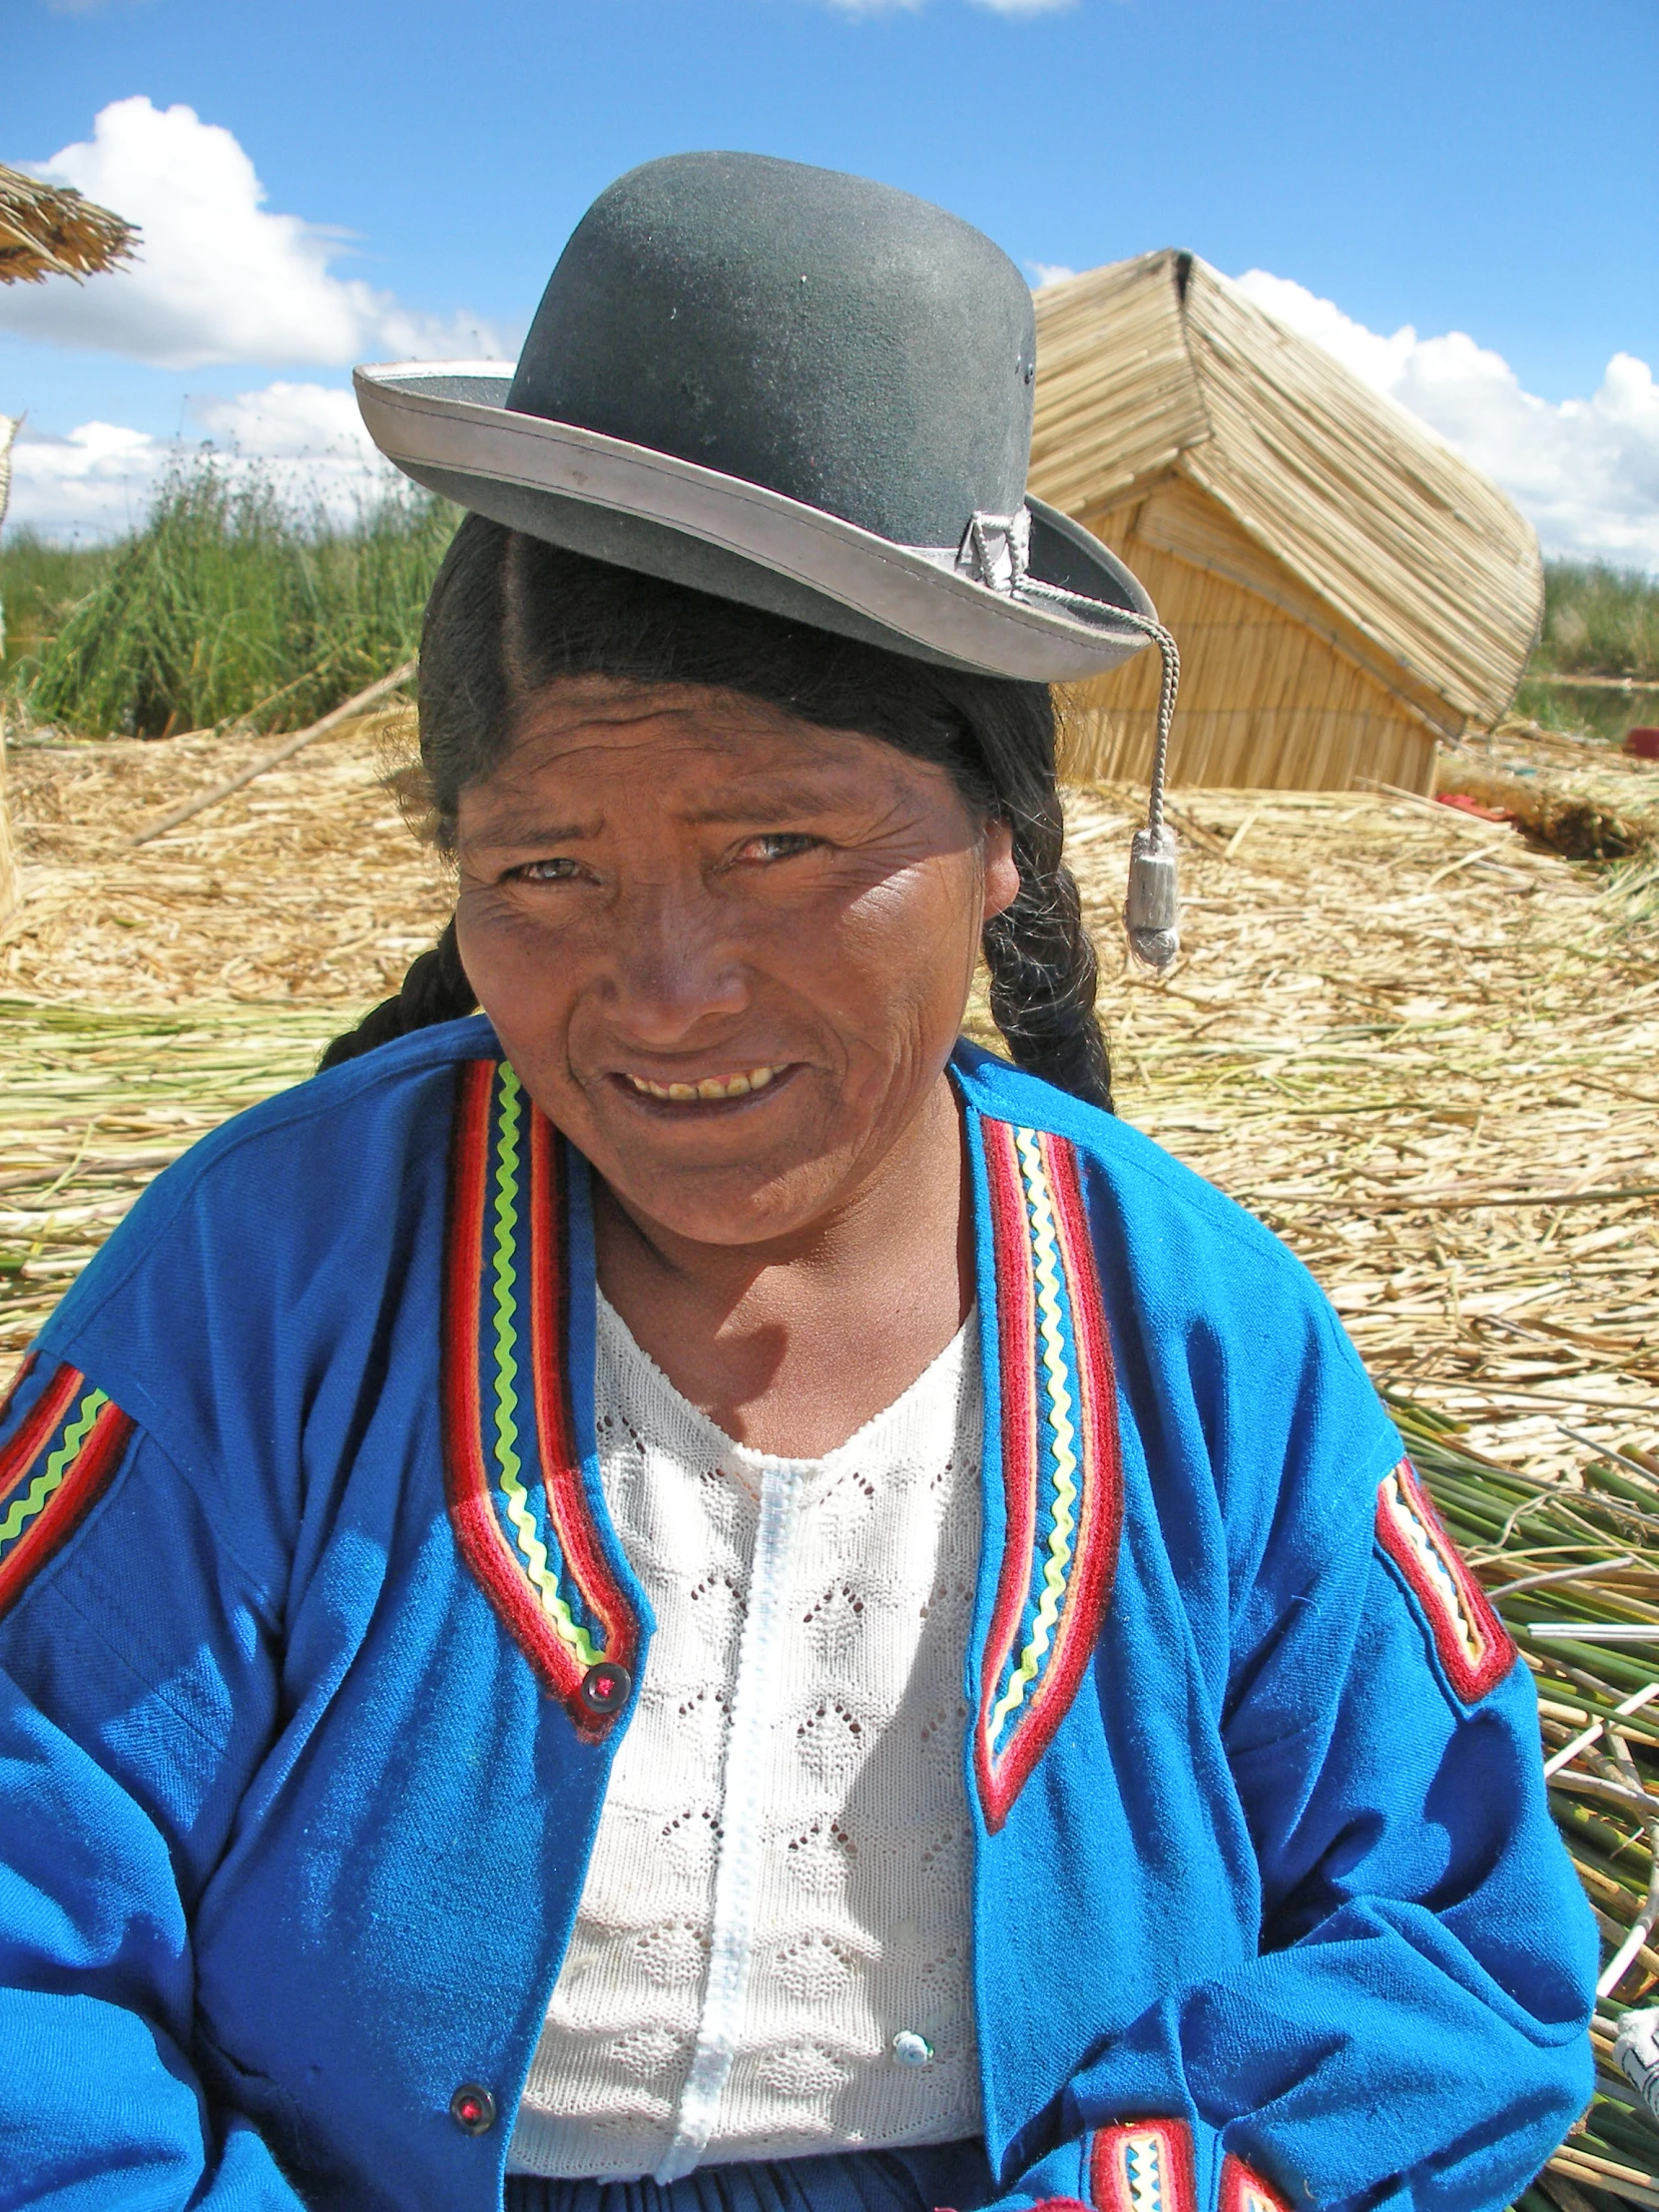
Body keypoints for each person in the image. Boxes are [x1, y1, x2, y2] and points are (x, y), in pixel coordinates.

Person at [0, 153, 1594, 2212]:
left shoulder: (1201, 1333)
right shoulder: (264, 1279)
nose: (665, 995)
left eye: (782, 850)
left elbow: (1464, 1951)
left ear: (1004, 839)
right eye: (544, 871)